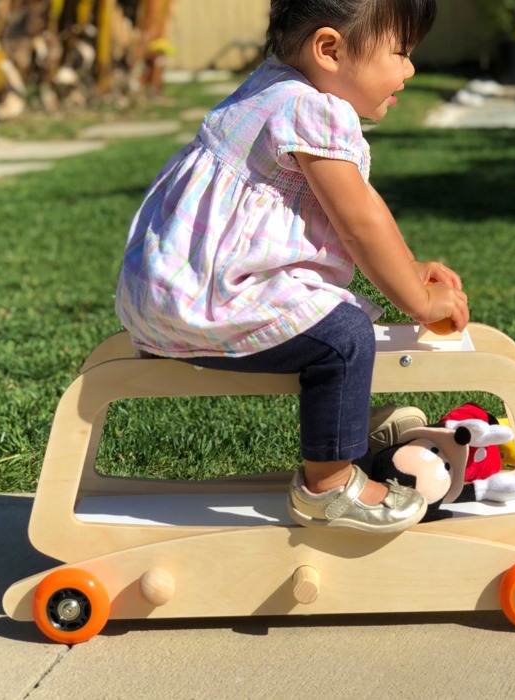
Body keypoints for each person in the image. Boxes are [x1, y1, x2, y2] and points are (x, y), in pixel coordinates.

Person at [115, 0, 468, 535]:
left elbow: (362, 205)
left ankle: (345, 425)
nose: (410, 69)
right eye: (400, 52)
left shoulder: (272, 87)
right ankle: (329, 487)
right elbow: (358, 225)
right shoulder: (313, 111)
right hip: (208, 303)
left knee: (328, 322)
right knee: (343, 337)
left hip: (170, 294)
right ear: (329, 49)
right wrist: (418, 302)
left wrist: (408, 265)